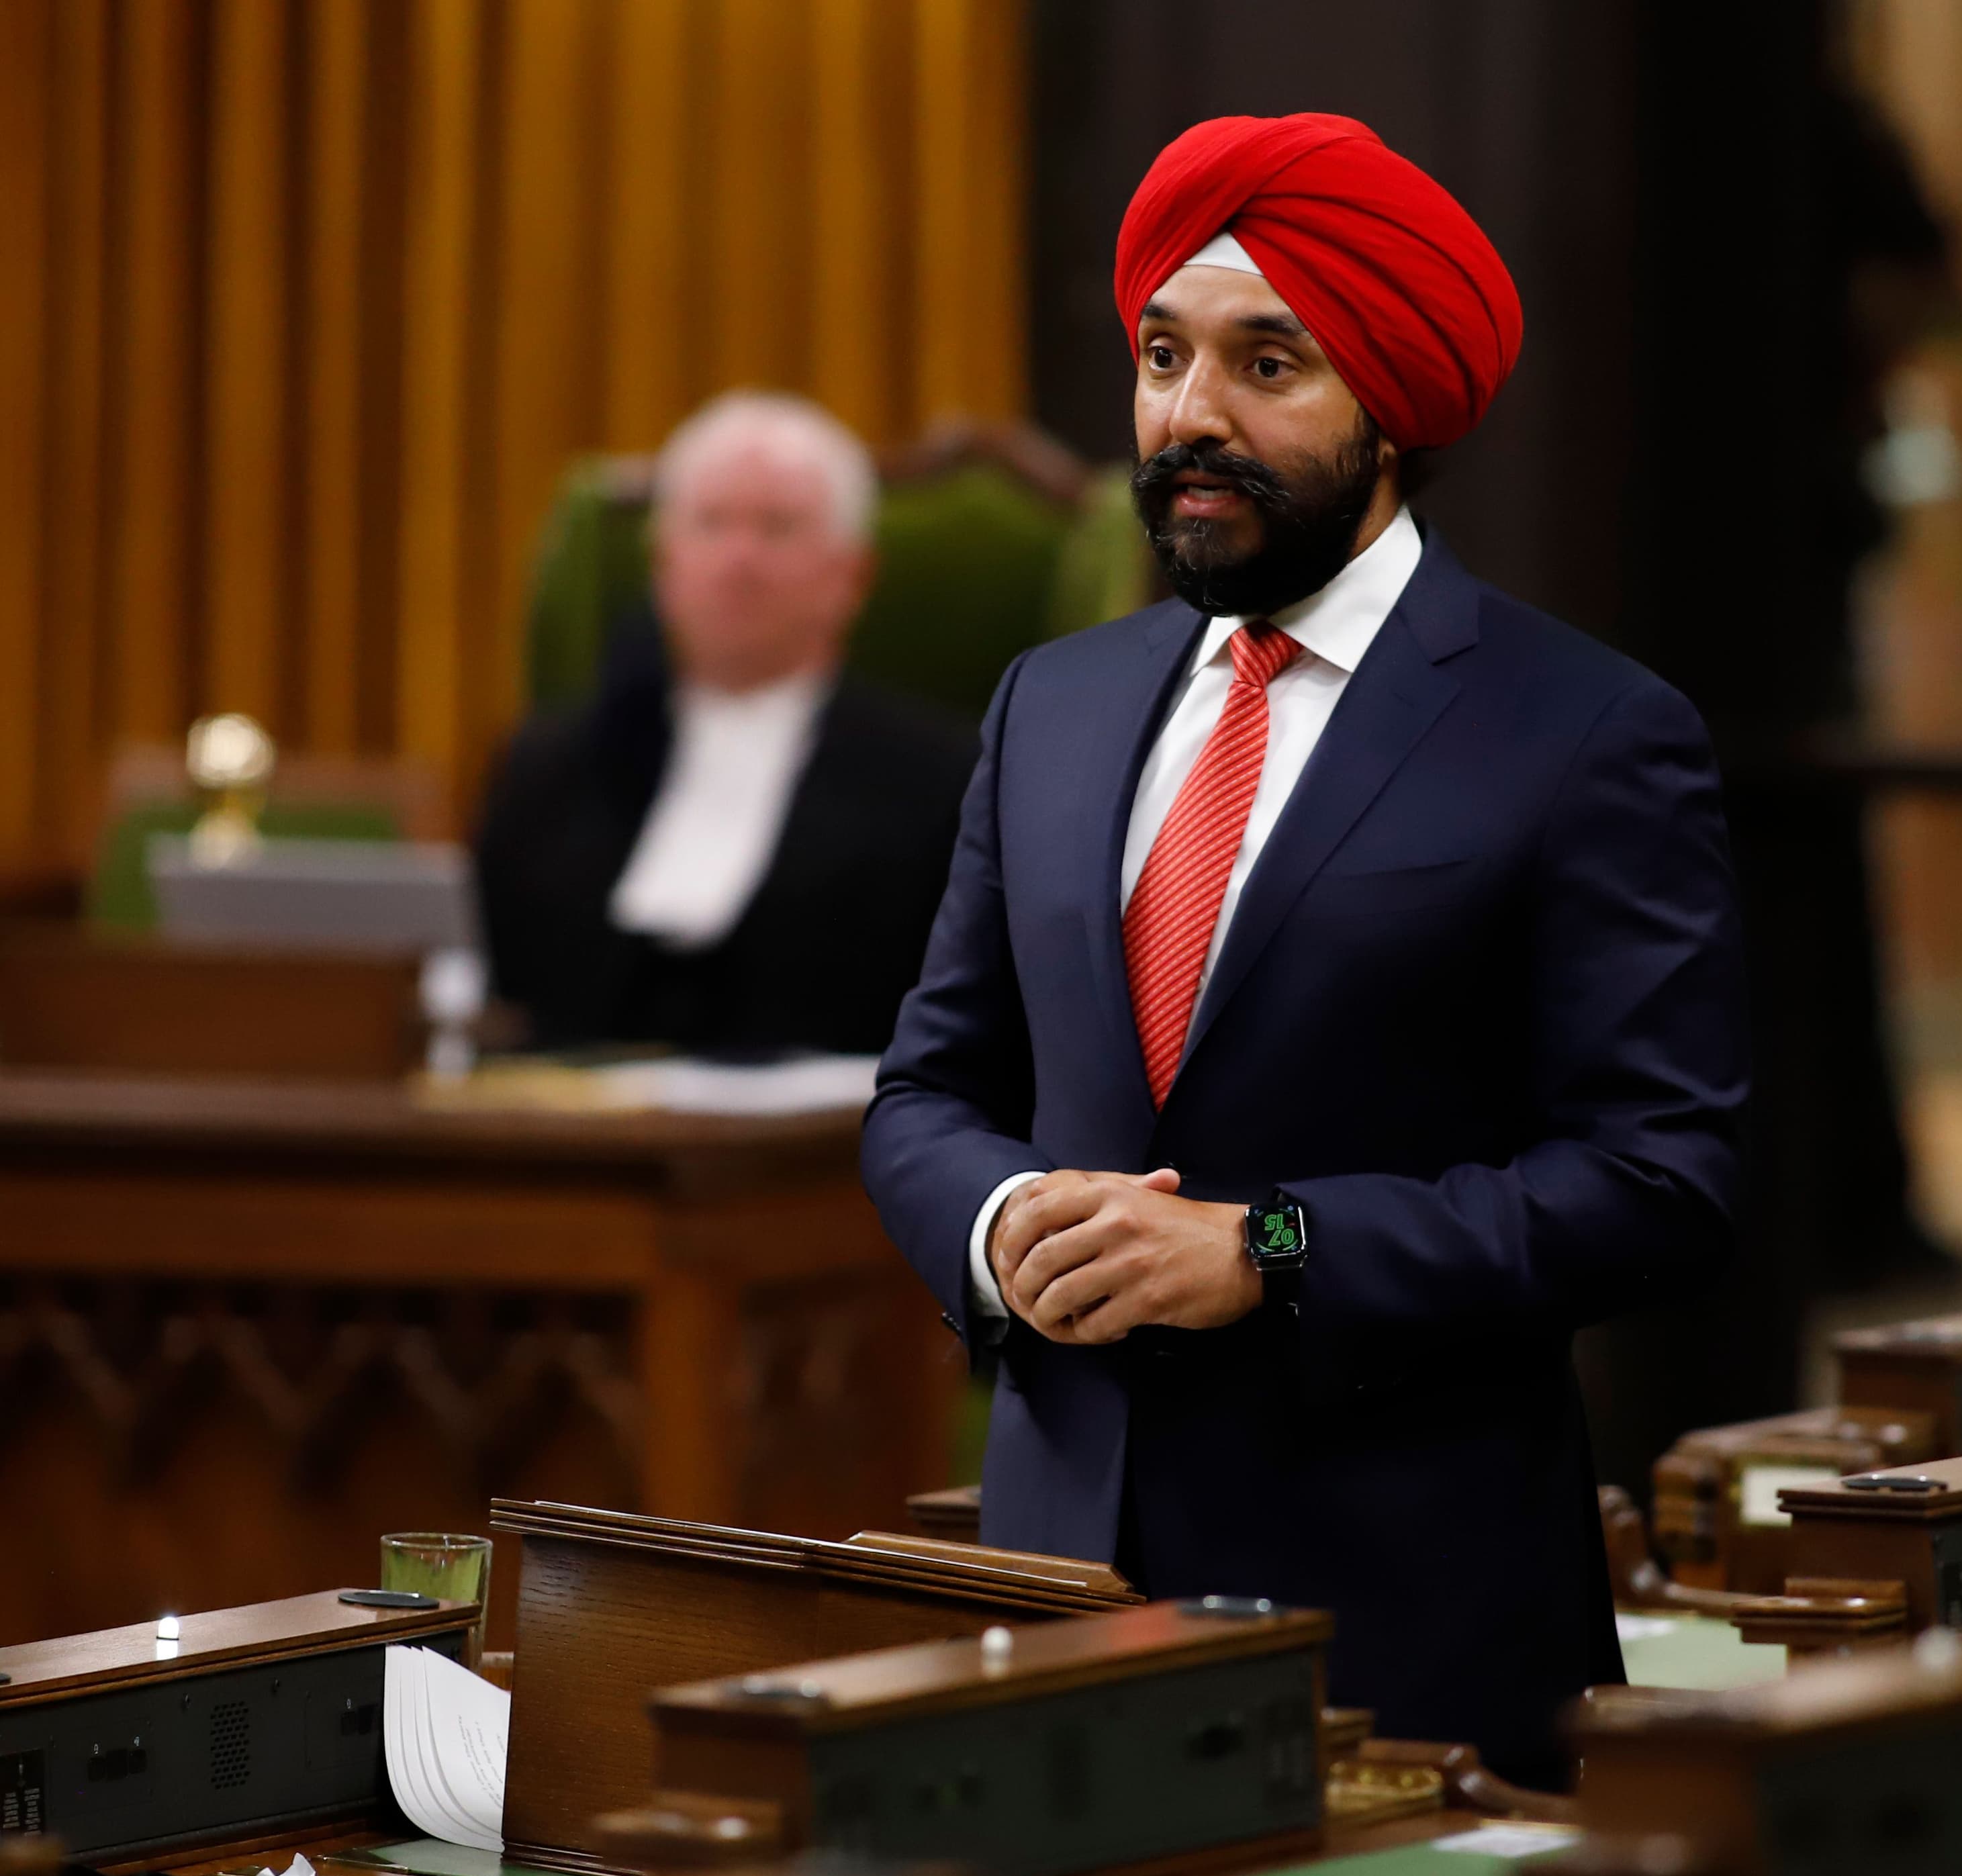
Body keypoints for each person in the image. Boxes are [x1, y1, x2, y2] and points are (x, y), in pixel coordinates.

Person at [860, 112, 1746, 1786]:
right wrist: (998, 1224)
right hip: (1055, 1589)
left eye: (1268, 363)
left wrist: (1266, 1248)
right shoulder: (1052, 702)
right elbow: (928, 1085)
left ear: (1390, 406)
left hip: (1404, 1623)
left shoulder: (1584, 732)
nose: (1190, 414)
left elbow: (1662, 1178)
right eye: (1160, 354)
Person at [476, 391, 976, 1056]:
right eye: (711, 524)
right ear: (663, 564)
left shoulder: (944, 782)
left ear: (850, 575)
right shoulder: (546, 767)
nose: (739, 560)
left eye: (776, 527)